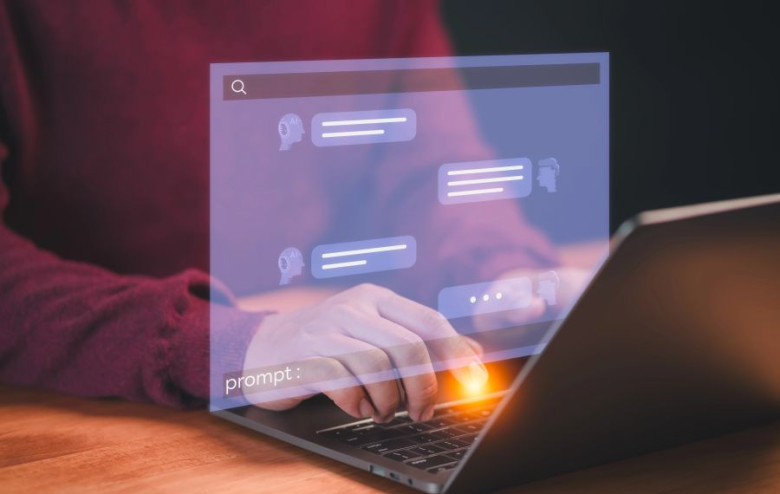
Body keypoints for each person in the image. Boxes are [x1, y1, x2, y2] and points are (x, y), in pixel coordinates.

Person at [0, 0, 563, 421]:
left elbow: (430, 166)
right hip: (85, 415)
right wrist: (229, 344)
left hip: (316, 387)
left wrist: (504, 275)